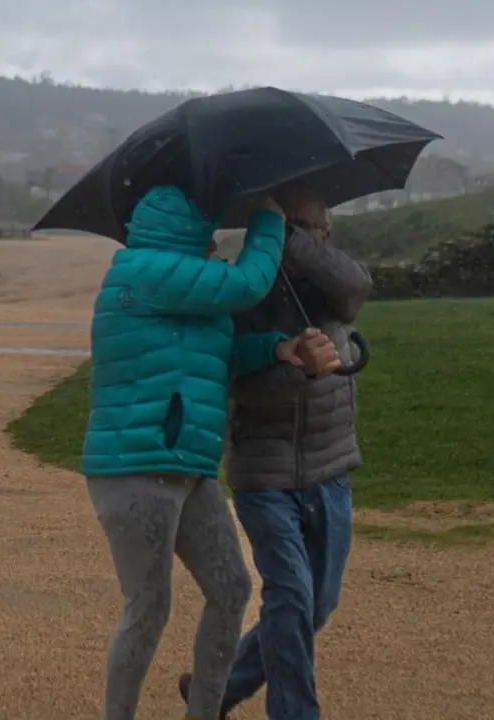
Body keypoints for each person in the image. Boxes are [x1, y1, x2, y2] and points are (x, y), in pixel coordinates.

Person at [82, 185, 341, 720]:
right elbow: (247, 283)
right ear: (181, 232)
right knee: (149, 607)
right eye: (205, 232)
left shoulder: (183, 287)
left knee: (231, 589)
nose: (213, 242)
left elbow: (218, 351)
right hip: (135, 468)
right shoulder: (141, 272)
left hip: (186, 468)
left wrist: (276, 349)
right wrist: (268, 220)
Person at [178, 190, 371, 719]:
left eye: (314, 229)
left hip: (329, 465)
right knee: (290, 596)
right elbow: (242, 388)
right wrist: (296, 366)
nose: (310, 238)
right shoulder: (246, 292)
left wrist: (290, 239)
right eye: (293, 228)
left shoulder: (331, 286)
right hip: (264, 474)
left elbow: (357, 289)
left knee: (319, 603)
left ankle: (212, 691)